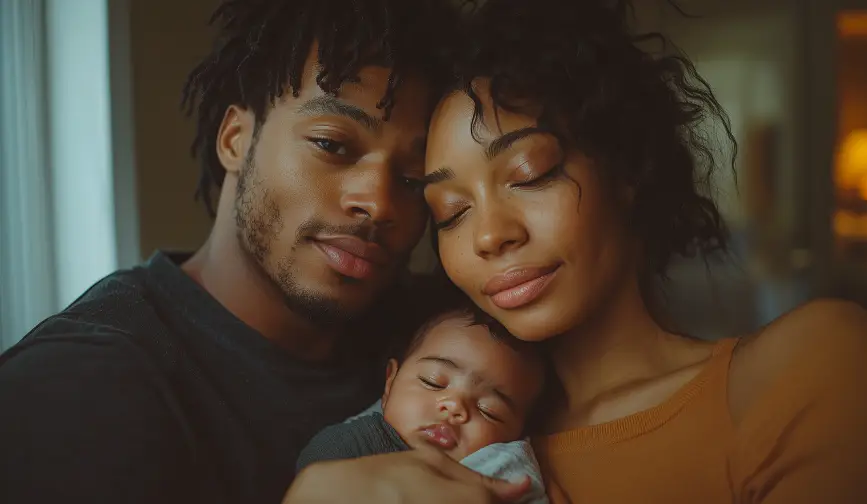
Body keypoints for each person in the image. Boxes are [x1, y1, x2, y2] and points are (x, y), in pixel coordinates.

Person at [284, 0, 867, 502]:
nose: (489, 235)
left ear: (624, 171)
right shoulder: (424, 425)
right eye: (452, 212)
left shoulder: (801, 367)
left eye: (529, 175)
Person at [0, 2, 529, 504]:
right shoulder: (75, 388)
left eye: (414, 179)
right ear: (234, 138)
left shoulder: (456, 339)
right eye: (332, 144)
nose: (379, 202)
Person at [296, 286, 549, 504]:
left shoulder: (503, 474)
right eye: (433, 382)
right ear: (389, 384)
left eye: (488, 410)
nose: (454, 406)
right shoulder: (356, 443)